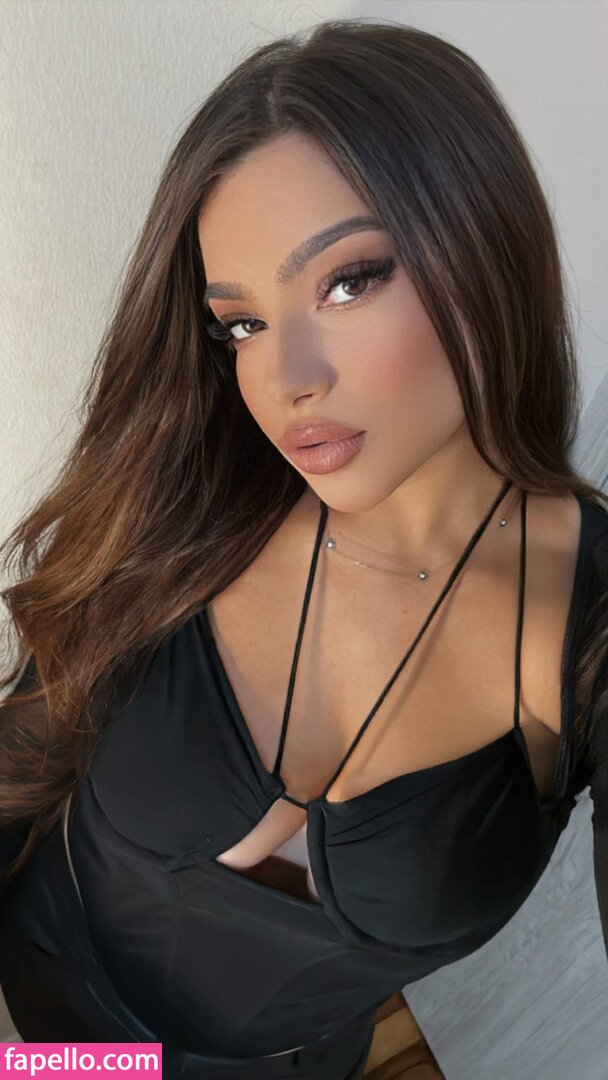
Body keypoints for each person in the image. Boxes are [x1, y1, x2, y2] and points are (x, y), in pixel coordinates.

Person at [0, 19, 606, 1080]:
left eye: (346, 280)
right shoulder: (192, 498)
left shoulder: (584, 627)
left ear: (484, 242)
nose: (286, 380)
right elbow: (21, 759)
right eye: (239, 325)